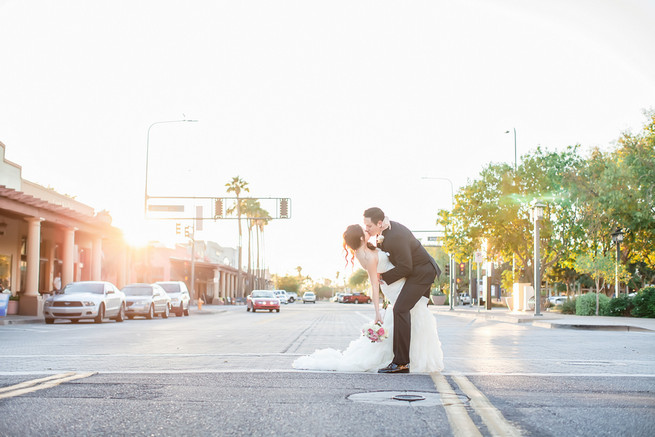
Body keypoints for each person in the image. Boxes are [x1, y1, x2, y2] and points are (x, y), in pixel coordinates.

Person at [292, 224, 443, 373]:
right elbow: (374, 285)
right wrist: (377, 312)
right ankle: (405, 360)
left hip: (399, 282)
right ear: (360, 237)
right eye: (364, 229)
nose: (367, 230)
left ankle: (407, 359)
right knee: (411, 315)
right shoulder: (366, 256)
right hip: (395, 287)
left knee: (412, 316)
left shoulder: (367, 249)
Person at [364, 207, 441, 374]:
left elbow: (406, 267)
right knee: (413, 312)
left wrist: (382, 278)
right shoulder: (385, 231)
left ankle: (401, 363)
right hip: (417, 272)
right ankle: (415, 357)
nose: (367, 229)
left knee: (400, 309)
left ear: (379, 223)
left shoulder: (396, 235)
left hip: (422, 273)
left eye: (369, 226)